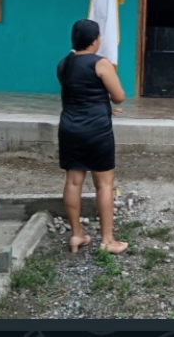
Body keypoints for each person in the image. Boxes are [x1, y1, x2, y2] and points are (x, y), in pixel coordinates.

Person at [57, 19, 128, 255]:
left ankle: (76, 234)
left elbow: (78, 94)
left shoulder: (64, 64)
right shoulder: (100, 63)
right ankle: (107, 240)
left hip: (69, 127)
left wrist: (103, 105)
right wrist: (105, 105)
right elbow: (118, 96)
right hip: (96, 130)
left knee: (73, 181)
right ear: (94, 40)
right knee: (104, 184)